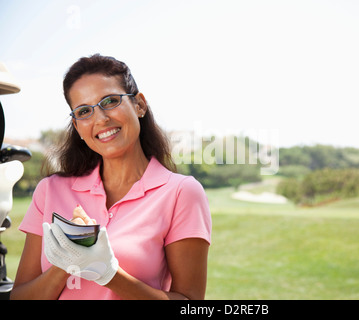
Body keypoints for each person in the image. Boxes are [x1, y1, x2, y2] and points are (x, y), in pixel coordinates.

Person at [10, 54, 212, 300]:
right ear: (77, 127)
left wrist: (108, 273)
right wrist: (67, 263)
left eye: (110, 101)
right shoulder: (50, 190)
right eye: (84, 111)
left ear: (139, 105)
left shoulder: (181, 192)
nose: (101, 119)